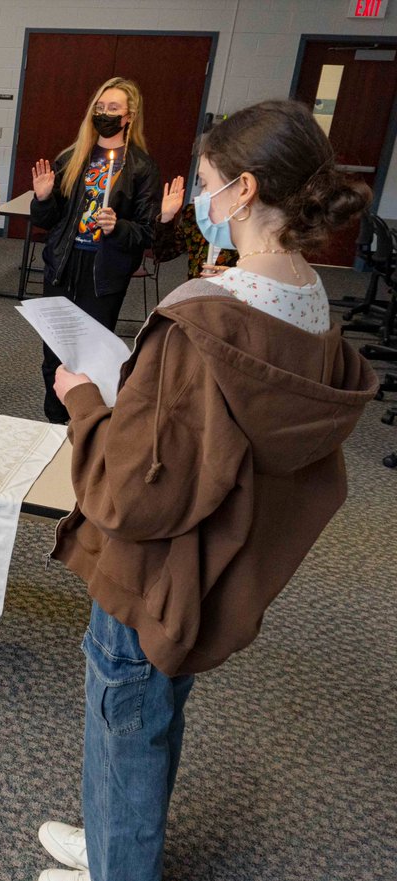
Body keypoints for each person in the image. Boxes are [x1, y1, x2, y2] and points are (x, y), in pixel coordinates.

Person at [36, 100, 376, 881]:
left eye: (209, 183)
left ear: (246, 191)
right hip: (221, 561)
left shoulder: (202, 322)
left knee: (124, 716)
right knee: (150, 715)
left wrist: (84, 398)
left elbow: (127, 490)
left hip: (154, 568)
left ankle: (120, 867)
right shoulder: (312, 304)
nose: (199, 198)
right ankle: (111, 842)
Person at [30, 77, 161, 423]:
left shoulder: (141, 167)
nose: (104, 114)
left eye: (113, 108)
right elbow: (48, 220)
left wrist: (117, 227)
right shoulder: (71, 158)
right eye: (100, 108)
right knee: (53, 355)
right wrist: (43, 197)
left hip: (102, 274)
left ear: (129, 115)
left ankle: (83, 427)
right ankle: (55, 424)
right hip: (63, 265)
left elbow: (147, 232)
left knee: (88, 357)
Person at [153, 174, 238, 279]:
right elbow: (163, 254)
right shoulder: (194, 213)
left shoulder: (252, 222)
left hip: (234, 291)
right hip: (197, 289)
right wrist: (167, 217)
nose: (203, 193)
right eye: (204, 185)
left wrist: (235, 275)